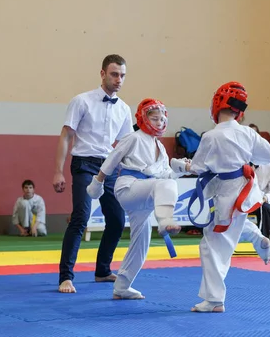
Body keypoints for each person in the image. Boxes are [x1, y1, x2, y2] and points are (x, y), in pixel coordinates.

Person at [188, 81, 270, 313]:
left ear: (216, 106)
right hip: (246, 190)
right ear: (239, 110)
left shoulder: (211, 136)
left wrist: (182, 165)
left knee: (213, 246)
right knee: (235, 226)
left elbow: (199, 167)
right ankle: (260, 240)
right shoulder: (248, 132)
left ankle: (214, 300)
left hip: (227, 193)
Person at [86, 98, 187, 300]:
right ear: (143, 118)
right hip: (128, 187)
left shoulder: (160, 147)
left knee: (142, 242)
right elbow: (112, 158)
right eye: (154, 118)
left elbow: (166, 176)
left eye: (161, 119)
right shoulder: (133, 138)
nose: (159, 122)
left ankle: (122, 286)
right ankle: (165, 221)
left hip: (146, 192)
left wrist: (182, 168)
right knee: (165, 186)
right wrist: (97, 183)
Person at [53, 54, 133, 294]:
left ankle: (102, 270)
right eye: (114, 74)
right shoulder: (81, 101)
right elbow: (66, 135)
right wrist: (58, 171)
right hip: (84, 164)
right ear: (102, 74)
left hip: (109, 166)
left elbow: (126, 145)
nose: (119, 80)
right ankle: (66, 277)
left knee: (118, 221)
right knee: (80, 217)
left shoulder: (125, 109)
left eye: (122, 75)